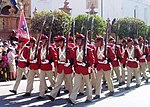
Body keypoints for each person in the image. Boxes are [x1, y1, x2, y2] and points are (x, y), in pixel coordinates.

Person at [68, 33, 95, 105]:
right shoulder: (75, 49)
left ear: (83, 41)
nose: (78, 42)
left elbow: (92, 60)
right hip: (78, 69)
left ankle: (89, 97)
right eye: (77, 40)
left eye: (79, 40)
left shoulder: (88, 49)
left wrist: (87, 64)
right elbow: (74, 58)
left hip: (86, 69)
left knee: (88, 84)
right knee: (76, 84)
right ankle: (72, 98)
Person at [48, 35, 74, 101]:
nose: (57, 43)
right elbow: (56, 58)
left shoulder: (68, 49)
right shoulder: (57, 49)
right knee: (58, 82)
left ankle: (72, 95)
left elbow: (73, 57)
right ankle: (53, 95)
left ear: (63, 42)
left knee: (70, 83)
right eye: (57, 42)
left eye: (59, 42)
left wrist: (70, 63)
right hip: (61, 67)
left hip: (67, 67)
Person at [37, 34, 57, 99]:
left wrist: (50, 61)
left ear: (46, 41)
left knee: (51, 80)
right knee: (42, 81)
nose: (42, 41)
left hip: (48, 66)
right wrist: (39, 65)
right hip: (42, 66)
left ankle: (57, 89)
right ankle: (41, 94)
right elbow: (39, 57)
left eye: (44, 40)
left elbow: (55, 56)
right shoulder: (40, 48)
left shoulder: (50, 48)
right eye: (42, 40)